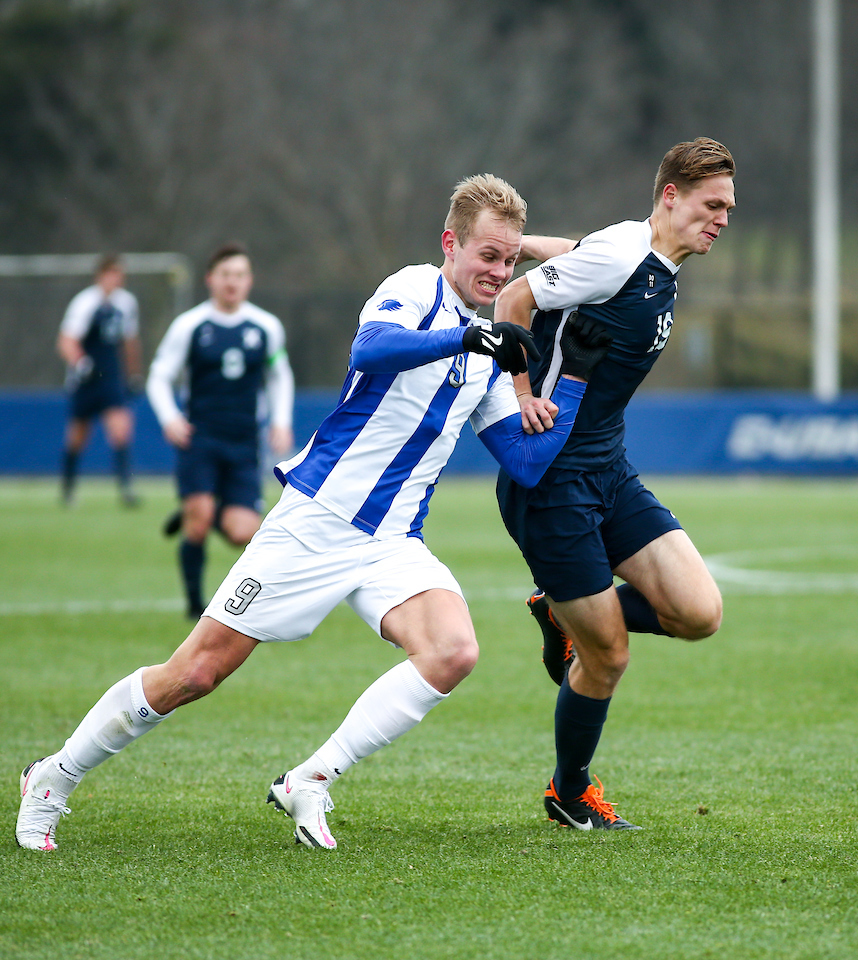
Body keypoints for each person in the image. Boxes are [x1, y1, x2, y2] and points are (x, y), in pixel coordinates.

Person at [16, 173, 612, 853]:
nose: (499, 272)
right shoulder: (417, 288)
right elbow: (371, 350)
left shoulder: (490, 347)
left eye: (510, 261)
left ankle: (311, 778)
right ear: (451, 244)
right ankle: (54, 777)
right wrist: (467, 342)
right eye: (488, 256)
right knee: (195, 673)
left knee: (453, 650)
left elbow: (526, 462)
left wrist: (575, 379)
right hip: (317, 519)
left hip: (391, 540)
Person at [491, 138, 734, 830]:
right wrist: (518, 392)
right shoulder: (622, 253)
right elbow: (511, 301)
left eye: (728, 209)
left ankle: (558, 609)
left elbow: (585, 254)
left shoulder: (642, 252)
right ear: (670, 196)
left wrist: (531, 242)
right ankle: (570, 793)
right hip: (552, 477)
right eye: (711, 205)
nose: (721, 219)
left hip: (609, 468)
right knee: (608, 655)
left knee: (698, 612)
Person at [146, 245, 295, 619]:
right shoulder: (191, 326)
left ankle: (202, 510)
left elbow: (279, 375)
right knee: (198, 523)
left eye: (240, 275)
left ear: (249, 281)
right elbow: (159, 376)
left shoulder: (265, 327)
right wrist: (169, 417)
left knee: (242, 532)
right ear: (211, 279)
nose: (233, 282)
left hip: (244, 441)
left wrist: (281, 420)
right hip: (201, 439)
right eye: (226, 275)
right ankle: (195, 606)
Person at [57, 253, 142, 507]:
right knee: (78, 435)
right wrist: (81, 363)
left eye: (120, 275)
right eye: (112, 274)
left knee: (121, 430)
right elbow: (66, 341)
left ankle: (126, 489)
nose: (117, 280)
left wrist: (134, 374)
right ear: (101, 276)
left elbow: (130, 342)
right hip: (85, 379)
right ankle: (68, 488)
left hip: (110, 377)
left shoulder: (126, 304)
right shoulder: (84, 303)